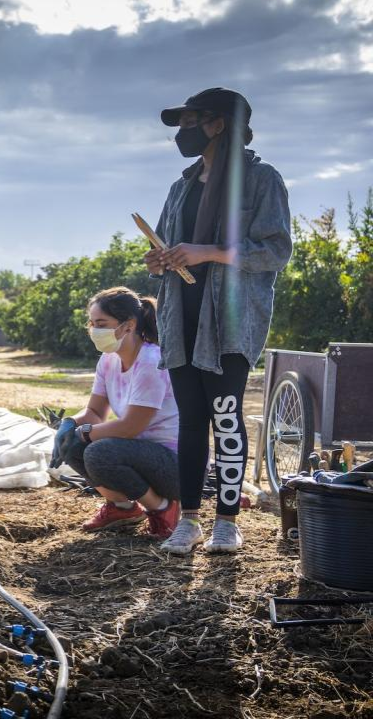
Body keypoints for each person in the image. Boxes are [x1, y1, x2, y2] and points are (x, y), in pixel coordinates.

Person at [144, 88, 292, 555]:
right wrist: (160, 260)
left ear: (220, 124)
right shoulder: (181, 186)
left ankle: (227, 522)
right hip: (180, 316)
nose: (182, 133)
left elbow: (276, 251)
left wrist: (209, 252)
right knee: (191, 420)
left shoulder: (262, 179)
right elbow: (172, 245)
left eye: (191, 122)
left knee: (226, 418)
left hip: (230, 320)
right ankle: (188, 521)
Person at [53, 288, 182, 538]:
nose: (94, 330)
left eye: (101, 323)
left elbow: (131, 427)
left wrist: (85, 432)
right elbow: (94, 411)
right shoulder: (108, 360)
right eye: (92, 323)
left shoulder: (151, 361)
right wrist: (69, 424)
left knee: (98, 451)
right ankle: (122, 508)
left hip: (174, 466)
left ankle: (163, 508)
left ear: (128, 325)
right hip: (137, 454)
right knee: (72, 446)